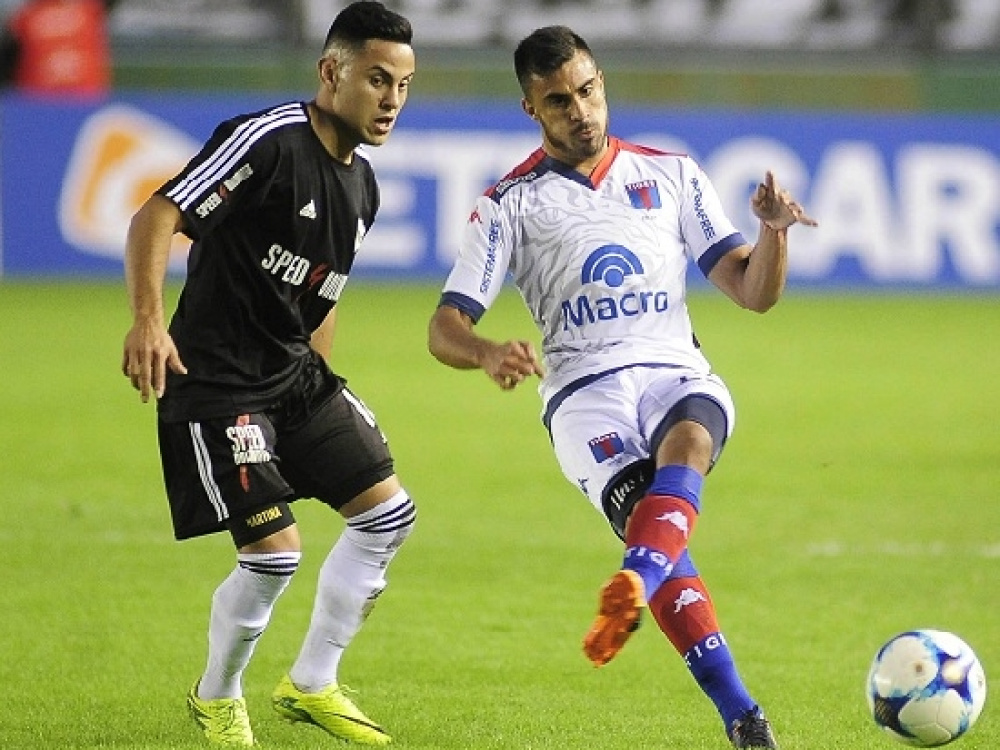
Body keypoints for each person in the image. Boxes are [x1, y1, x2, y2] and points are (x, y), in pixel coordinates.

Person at [427, 25, 816, 750]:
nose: (580, 111)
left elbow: (753, 293)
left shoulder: (673, 175)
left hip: (674, 371)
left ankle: (641, 588)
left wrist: (774, 234)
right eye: (558, 101)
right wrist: (484, 352)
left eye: (587, 91)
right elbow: (445, 326)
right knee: (652, 521)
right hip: (582, 393)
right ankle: (740, 711)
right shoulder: (507, 205)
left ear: (601, 82)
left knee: (689, 443)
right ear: (531, 109)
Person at [121, 2, 416, 746]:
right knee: (275, 555)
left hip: (296, 382)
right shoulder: (269, 141)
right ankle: (217, 696)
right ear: (331, 71)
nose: (391, 99)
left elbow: (321, 297)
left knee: (388, 516)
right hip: (218, 385)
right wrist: (149, 321)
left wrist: (323, 398)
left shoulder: (364, 187)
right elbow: (157, 215)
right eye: (377, 78)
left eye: (403, 85)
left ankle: (312, 681)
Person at [0, 0, 117, 96]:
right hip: (86, 100)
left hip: (38, 102)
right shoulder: (88, 11)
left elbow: (8, 62)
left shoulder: (25, 18)